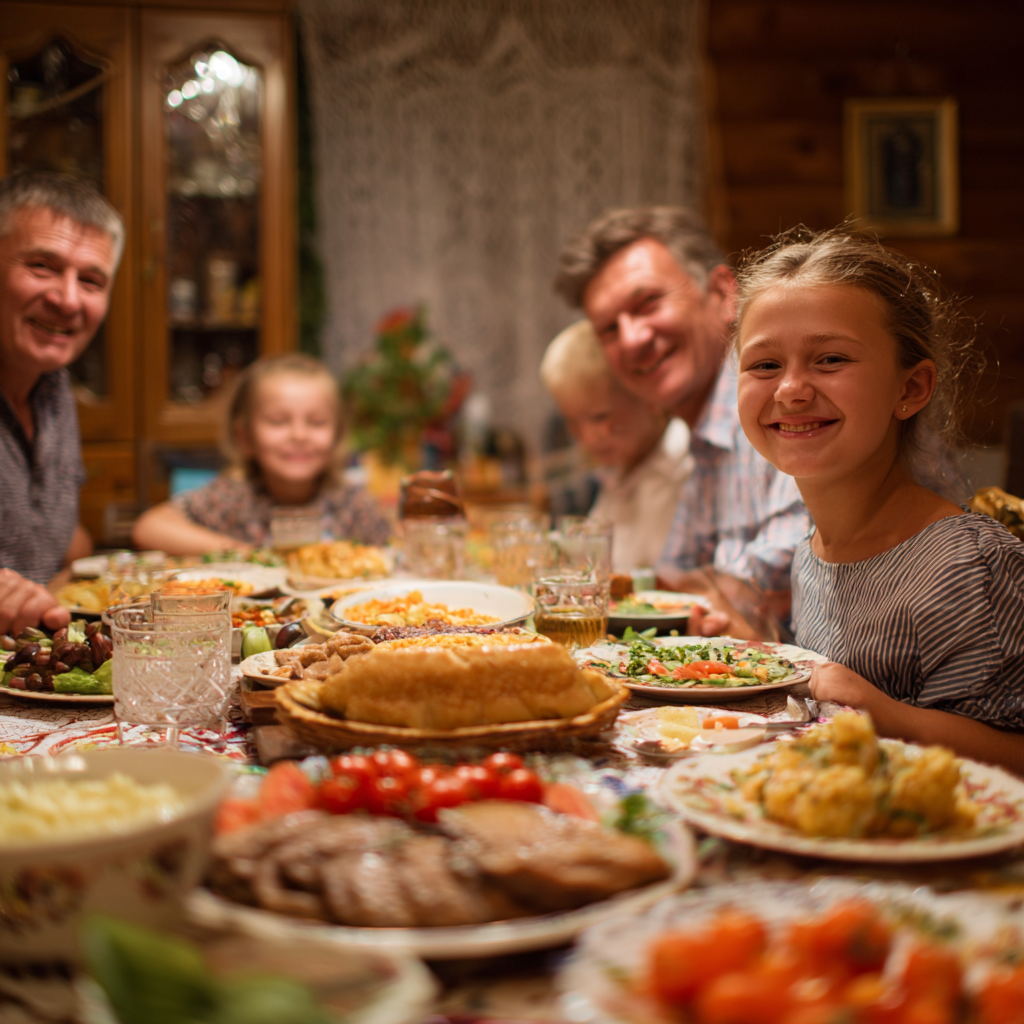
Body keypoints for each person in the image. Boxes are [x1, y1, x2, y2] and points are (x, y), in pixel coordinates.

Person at [733, 226, 1024, 773]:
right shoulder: (811, 551)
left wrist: (889, 716)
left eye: (831, 360)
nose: (790, 389)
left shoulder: (965, 565)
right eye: (765, 365)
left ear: (910, 389)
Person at [554, 207, 810, 625]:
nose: (633, 339)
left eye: (648, 303)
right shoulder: (702, 435)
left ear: (723, 295)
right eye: (609, 329)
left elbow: (794, 576)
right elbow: (669, 585)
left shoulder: (782, 403)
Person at [0, 171, 123, 635]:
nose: (68, 299)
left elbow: (57, 539)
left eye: (91, 280)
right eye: (42, 267)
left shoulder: (54, 387)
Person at [133, 353, 391, 554]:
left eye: (316, 422)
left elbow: (390, 556)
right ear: (245, 437)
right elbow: (149, 528)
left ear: (336, 436)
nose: (299, 435)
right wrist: (244, 554)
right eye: (278, 421)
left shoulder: (352, 503)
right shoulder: (231, 499)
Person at [540, 319, 693, 573]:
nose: (588, 438)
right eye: (573, 424)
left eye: (600, 417)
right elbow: (587, 561)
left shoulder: (685, 468)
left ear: (649, 397)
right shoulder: (618, 469)